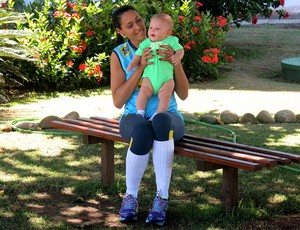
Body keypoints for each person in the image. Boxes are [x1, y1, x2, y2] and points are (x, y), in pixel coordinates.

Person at [111, 5, 189, 226]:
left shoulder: (166, 44)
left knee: (161, 120)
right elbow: (118, 101)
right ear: (121, 32)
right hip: (134, 115)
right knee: (143, 129)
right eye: (129, 25)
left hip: (168, 115)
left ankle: (161, 199)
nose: (138, 27)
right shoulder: (120, 55)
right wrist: (140, 67)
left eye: (138, 20)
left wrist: (176, 61)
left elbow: (182, 94)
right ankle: (130, 197)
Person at [127, 13, 184, 121]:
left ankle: (158, 114)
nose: (152, 30)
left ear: (167, 33)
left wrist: (177, 56)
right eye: (151, 27)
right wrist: (133, 63)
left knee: (165, 96)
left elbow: (181, 50)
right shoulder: (145, 43)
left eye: (157, 29)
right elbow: (137, 55)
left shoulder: (171, 41)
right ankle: (140, 112)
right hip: (149, 77)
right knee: (143, 92)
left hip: (166, 79)